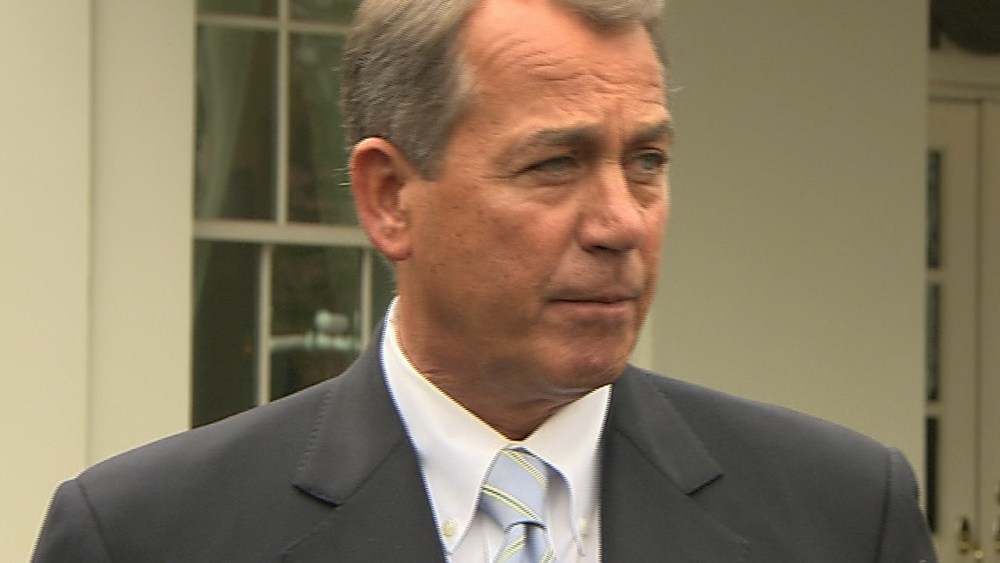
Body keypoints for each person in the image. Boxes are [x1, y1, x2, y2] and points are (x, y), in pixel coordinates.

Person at [33, 0, 938, 561]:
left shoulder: (843, 513)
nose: (621, 222)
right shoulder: (147, 534)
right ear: (389, 198)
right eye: (555, 164)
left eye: (647, 161)